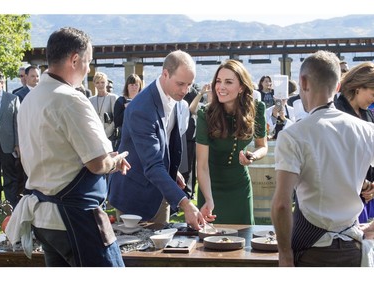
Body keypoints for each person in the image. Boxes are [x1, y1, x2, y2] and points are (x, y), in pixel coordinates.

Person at [5, 27, 131, 267]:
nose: (88, 69)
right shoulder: (70, 98)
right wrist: (113, 161)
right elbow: (96, 163)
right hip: (73, 217)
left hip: (44, 219)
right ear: (75, 59)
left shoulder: (30, 99)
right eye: (88, 62)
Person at [271, 50, 374, 267]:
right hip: (353, 248)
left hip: (312, 251)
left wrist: (285, 255)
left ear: (303, 82)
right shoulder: (367, 130)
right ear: (337, 87)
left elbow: (281, 204)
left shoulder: (293, 135)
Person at [108, 50, 207, 229]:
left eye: (189, 85)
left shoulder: (176, 99)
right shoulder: (142, 109)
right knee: (138, 254)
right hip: (135, 196)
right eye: (180, 84)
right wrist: (185, 203)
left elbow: (163, 143)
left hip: (161, 192)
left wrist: (171, 169)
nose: (185, 91)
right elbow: (152, 165)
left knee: (163, 252)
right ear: (165, 74)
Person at [195, 59, 268, 225]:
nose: (221, 87)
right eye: (218, 81)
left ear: (241, 87)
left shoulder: (257, 109)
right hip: (210, 188)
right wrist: (208, 199)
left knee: (244, 241)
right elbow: (202, 165)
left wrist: (253, 156)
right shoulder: (204, 115)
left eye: (228, 82)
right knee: (207, 245)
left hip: (240, 187)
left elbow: (262, 146)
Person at [335, 61, 374, 223]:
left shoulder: (370, 115)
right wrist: (363, 184)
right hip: (341, 198)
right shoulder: (335, 112)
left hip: (365, 197)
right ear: (358, 87)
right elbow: (336, 157)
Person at [0, 71, 21, 208]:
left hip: (7, 144)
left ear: (1, 82)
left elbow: (17, 123)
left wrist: (17, 144)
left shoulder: (12, 98)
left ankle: (11, 204)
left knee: (9, 176)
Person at [113, 74, 143, 150]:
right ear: (127, 86)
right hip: (124, 138)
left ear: (140, 86)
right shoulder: (120, 101)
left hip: (140, 136)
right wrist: (127, 109)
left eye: (136, 85)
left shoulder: (143, 101)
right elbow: (117, 122)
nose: (134, 87)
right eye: (131, 85)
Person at [89, 72, 118, 144]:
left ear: (106, 83)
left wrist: (106, 133)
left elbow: (116, 118)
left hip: (110, 136)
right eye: (97, 82)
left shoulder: (113, 98)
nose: (100, 85)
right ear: (94, 84)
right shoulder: (91, 100)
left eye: (102, 82)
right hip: (95, 136)